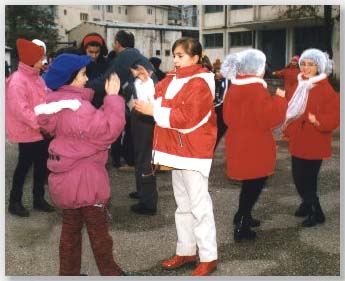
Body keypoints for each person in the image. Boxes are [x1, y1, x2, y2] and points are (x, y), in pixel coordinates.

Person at [35, 54, 126, 276]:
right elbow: (107, 132)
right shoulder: (78, 109)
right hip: (86, 180)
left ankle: (68, 274)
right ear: (71, 79)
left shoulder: (56, 104)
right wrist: (113, 98)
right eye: (83, 75)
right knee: (99, 234)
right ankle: (111, 274)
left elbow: (86, 131)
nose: (86, 79)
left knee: (70, 231)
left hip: (65, 178)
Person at [133, 37, 218, 276]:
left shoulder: (201, 83)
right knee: (183, 205)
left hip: (192, 151)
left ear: (195, 57)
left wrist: (155, 111)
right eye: (175, 55)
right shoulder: (172, 77)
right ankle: (187, 250)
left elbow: (188, 119)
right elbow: (157, 98)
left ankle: (208, 256)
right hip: (175, 150)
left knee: (200, 206)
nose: (175, 60)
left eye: (180, 56)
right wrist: (146, 82)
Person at [221, 49, 287, 242]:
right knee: (255, 184)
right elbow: (270, 118)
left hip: (238, 142)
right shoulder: (257, 89)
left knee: (249, 183)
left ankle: (243, 215)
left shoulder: (234, 87)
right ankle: (242, 224)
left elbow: (226, 116)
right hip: (256, 145)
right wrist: (280, 99)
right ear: (258, 69)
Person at [282, 48, 340, 227]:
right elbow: (289, 108)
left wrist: (318, 121)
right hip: (299, 139)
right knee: (298, 177)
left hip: (315, 141)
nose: (306, 68)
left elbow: (336, 116)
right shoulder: (298, 84)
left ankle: (317, 212)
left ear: (319, 67)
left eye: (311, 65)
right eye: (304, 64)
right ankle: (307, 204)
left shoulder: (326, 89)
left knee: (307, 179)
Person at [6, 38, 54, 217]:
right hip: (27, 133)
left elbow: (46, 98)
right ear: (30, 59)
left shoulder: (37, 78)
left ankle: (38, 199)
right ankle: (14, 202)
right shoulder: (18, 80)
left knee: (41, 166)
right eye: (40, 58)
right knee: (23, 167)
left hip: (41, 131)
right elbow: (21, 111)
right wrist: (41, 125)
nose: (43, 61)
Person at [79, 32, 109, 108]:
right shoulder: (79, 64)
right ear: (84, 49)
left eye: (97, 52)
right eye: (91, 52)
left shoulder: (107, 63)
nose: (94, 55)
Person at [212, 59, 229, 148]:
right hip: (217, 111)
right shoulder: (215, 81)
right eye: (216, 71)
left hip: (225, 112)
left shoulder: (227, 82)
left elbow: (222, 99)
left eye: (219, 71)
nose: (217, 73)